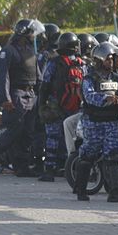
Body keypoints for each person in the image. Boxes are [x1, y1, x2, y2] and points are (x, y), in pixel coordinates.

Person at [0, 19, 41, 177]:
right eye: (30, 32)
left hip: (30, 94)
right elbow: (3, 77)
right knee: (14, 131)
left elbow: (38, 74)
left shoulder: (30, 50)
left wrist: (40, 95)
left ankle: (21, 167)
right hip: (16, 95)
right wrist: (6, 99)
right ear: (23, 33)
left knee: (27, 133)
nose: (33, 35)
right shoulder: (8, 51)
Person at [76, 42, 118, 202]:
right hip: (94, 122)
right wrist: (106, 98)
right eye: (108, 59)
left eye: (113, 59)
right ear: (99, 60)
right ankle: (81, 190)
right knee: (88, 154)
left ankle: (114, 191)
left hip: (111, 122)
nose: (111, 62)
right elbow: (89, 96)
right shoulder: (89, 78)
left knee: (113, 154)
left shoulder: (115, 77)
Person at [38, 32, 83, 182]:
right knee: (72, 137)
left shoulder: (54, 62)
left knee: (52, 137)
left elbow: (45, 84)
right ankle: (69, 167)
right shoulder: (81, 63)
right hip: (75, 106)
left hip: (55, 105)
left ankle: (49, 170)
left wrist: (41, 105)